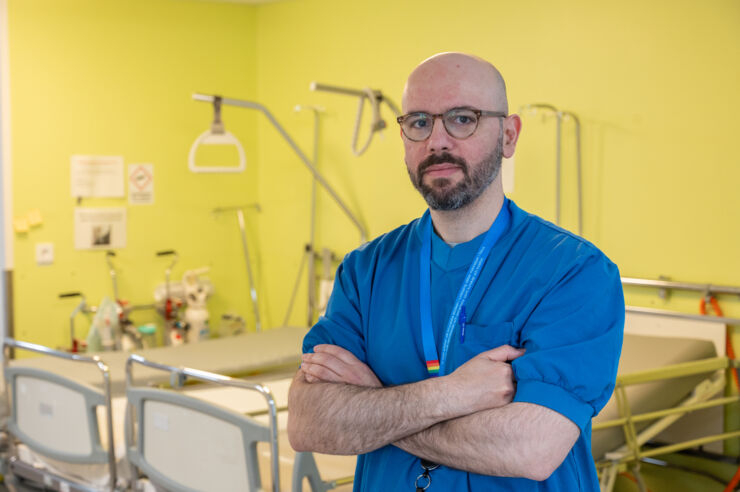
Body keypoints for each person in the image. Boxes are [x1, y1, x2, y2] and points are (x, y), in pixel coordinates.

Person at [288, 52, 624, 491]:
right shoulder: (365, 270)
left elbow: (531, 448)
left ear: (508, 135)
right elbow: (308, 422)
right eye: (419, 122)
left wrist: (374, 405)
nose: (437, 141)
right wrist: (454, 394)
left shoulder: (575, 272)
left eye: (462, 119)